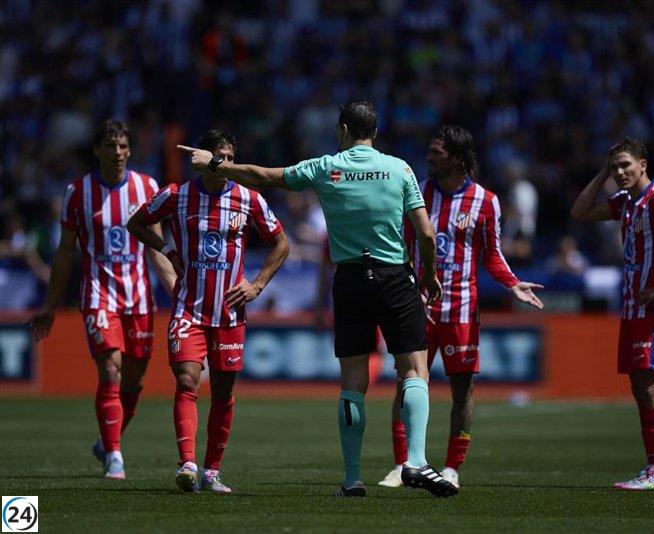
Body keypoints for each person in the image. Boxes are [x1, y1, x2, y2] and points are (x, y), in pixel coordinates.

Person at [177, 100, 458, 497]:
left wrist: (215, 165)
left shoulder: (327, 166)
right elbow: (426, 234)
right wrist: (428, 275)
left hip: (350, 279)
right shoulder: (400, 169)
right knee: (413, 370)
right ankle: (414, 461)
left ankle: (352, 478)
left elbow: (262, 176)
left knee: (352, 383)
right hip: (395, 275)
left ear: (343, 129)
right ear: (374, 133)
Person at [378, 125, 544, 490]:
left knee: (462, 391)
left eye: (437, 152)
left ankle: (452, 466)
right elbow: (401, 245)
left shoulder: (486, 201)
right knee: (407, 384)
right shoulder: (416, 191)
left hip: (462, 311)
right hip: (419, 307)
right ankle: (402, 464)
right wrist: (405, 288)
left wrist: (512, 283)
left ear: (457, 158)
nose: (430, 156)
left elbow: (493, 255)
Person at [127, 130, 289, 493]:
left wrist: (257, 285)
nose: (227, 163)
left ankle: (211, 471)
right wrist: (166, 249)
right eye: (220, 156)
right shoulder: (178, 195)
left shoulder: (249, 199)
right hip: (189, 309)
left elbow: (281, 243)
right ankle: (187, 463)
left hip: (229, 314)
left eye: (232, 157)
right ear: (202, 158)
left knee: (223, 391)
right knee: (186, 379)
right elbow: (136, 222)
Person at [29, 120, 177, 479]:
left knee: (135, 381)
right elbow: (65, 253)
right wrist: (50, 305)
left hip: (139, 298)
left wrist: (177, 290)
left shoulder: (147, 187)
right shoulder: (77, 192)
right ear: (97, 150)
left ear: (130, 150)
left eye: (124, 146)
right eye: (111, 146)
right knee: (110, 368)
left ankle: (106, 439)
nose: (118, 153)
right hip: (98, 295)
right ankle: (114, 455)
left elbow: (157, 248)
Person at [571, 137, 654, 490]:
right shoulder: (625, 202)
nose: (620, 172)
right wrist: (602, 172)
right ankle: (652, 468)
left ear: (643, 164)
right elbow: (580, 212)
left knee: (651, 385)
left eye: (626, 164)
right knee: (639, 385)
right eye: (615, 167)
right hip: (633, 305)